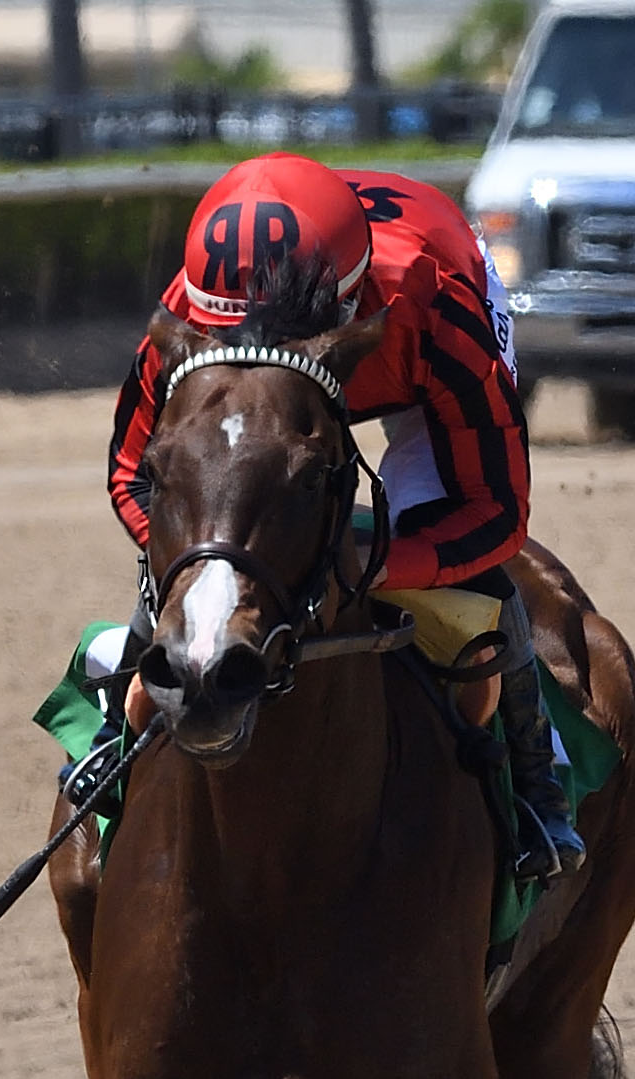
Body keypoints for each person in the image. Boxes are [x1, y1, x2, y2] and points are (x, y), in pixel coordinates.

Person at [106, 153, 585, 880]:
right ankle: (107, 760)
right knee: (188, 550)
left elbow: (494, 511)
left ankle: (535, 787)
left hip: (414, 361)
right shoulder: (189, 317)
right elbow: (129, 474)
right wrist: (192, 564)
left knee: (464, 586)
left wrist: (382, 564)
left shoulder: (433, 305)